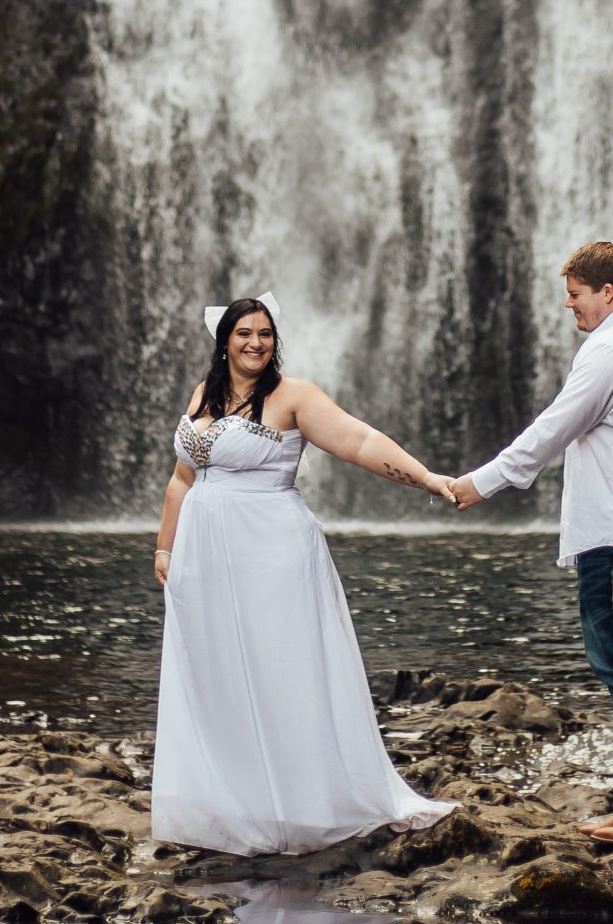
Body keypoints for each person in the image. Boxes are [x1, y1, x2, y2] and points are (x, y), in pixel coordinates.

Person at [150, 293, 460, 855]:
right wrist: (165, 547)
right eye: (244, 333)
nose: (256, 343)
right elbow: (182, 478)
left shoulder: (294, 396)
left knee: (280, 670)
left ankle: (300, 803)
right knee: (218, 673)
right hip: (205, 559)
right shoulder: (204, 395)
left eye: (265, 333)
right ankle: (234, 798)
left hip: (272, 554)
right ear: (224, 341)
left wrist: (428, 480)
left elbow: (360, 441)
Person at [450, 242, 613, 846]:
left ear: (608, 292)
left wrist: (479, 483)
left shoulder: (612, 348)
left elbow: (553, 429)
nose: (569, 305)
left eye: (576, 294)